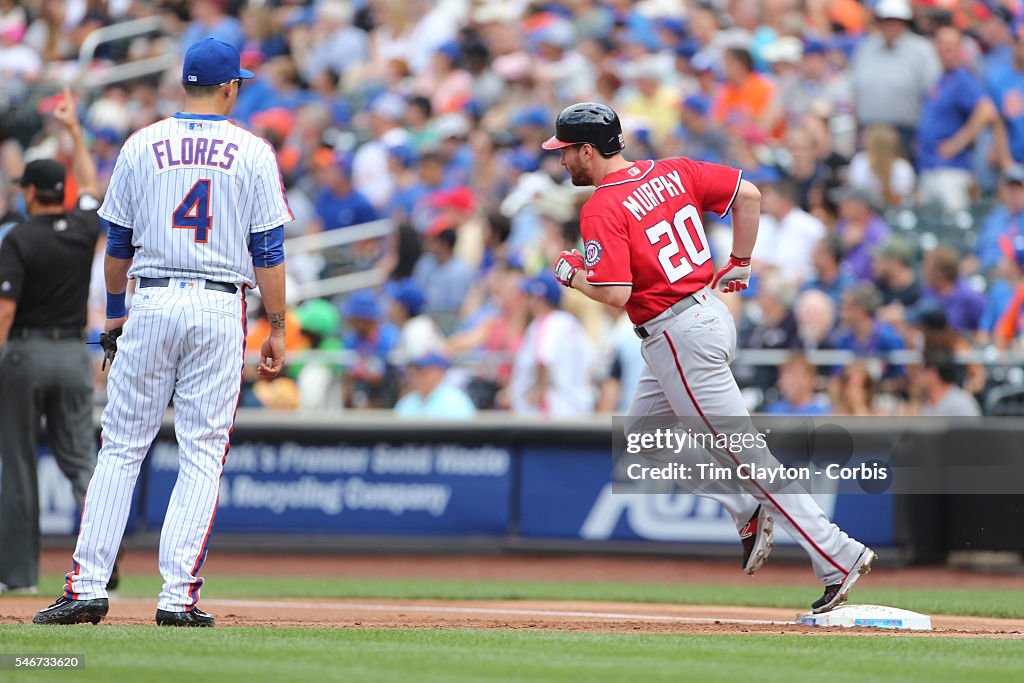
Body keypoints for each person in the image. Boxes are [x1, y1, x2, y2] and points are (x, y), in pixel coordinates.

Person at [544, 101, 874, 613]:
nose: (562, 161)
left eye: (566, 151)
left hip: (677, 333)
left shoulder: (601, 206)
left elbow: (613, 292)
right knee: (642, 448)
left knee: (748, 457)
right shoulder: (675, 170)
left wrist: (570, 274)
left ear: (588, 150)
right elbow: (750, 194)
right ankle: (743, 506)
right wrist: (740, 262)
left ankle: (837, 554)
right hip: (706, 314)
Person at [34, 39, 292, 627]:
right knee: (202, 453)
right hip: (220, 304)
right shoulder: (253, 152)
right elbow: (269, 251)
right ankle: (177, 597)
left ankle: (88, 586)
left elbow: (118, 245)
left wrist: (116, 315)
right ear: (229, 87)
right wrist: (276, 327)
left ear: (185, 84)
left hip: (151, 297)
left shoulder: (141, 142)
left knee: (121, 448)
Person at [0, 88, 102, 595]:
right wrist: (75, 130)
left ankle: (18, 578)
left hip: (25, 352)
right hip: (72, 354)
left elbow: (5, 309)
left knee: (19, 464)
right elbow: (88, 183)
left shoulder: (19, 237)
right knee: (84, 461)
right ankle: (104, 563)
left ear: (33, 192)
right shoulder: (83, 227)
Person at [507, 274, 595, 417]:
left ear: (539, 299)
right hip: (579, 409)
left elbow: (544, 359)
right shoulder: (573, 323)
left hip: (552, 410)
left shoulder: (546, 323)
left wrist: (538, 392)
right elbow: (591, 364)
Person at [394, 351, 476, 419]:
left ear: (439, 373)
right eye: (414, 372)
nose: (416, 376)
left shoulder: (455, 401)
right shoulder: (407, 401)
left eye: (422, 372)